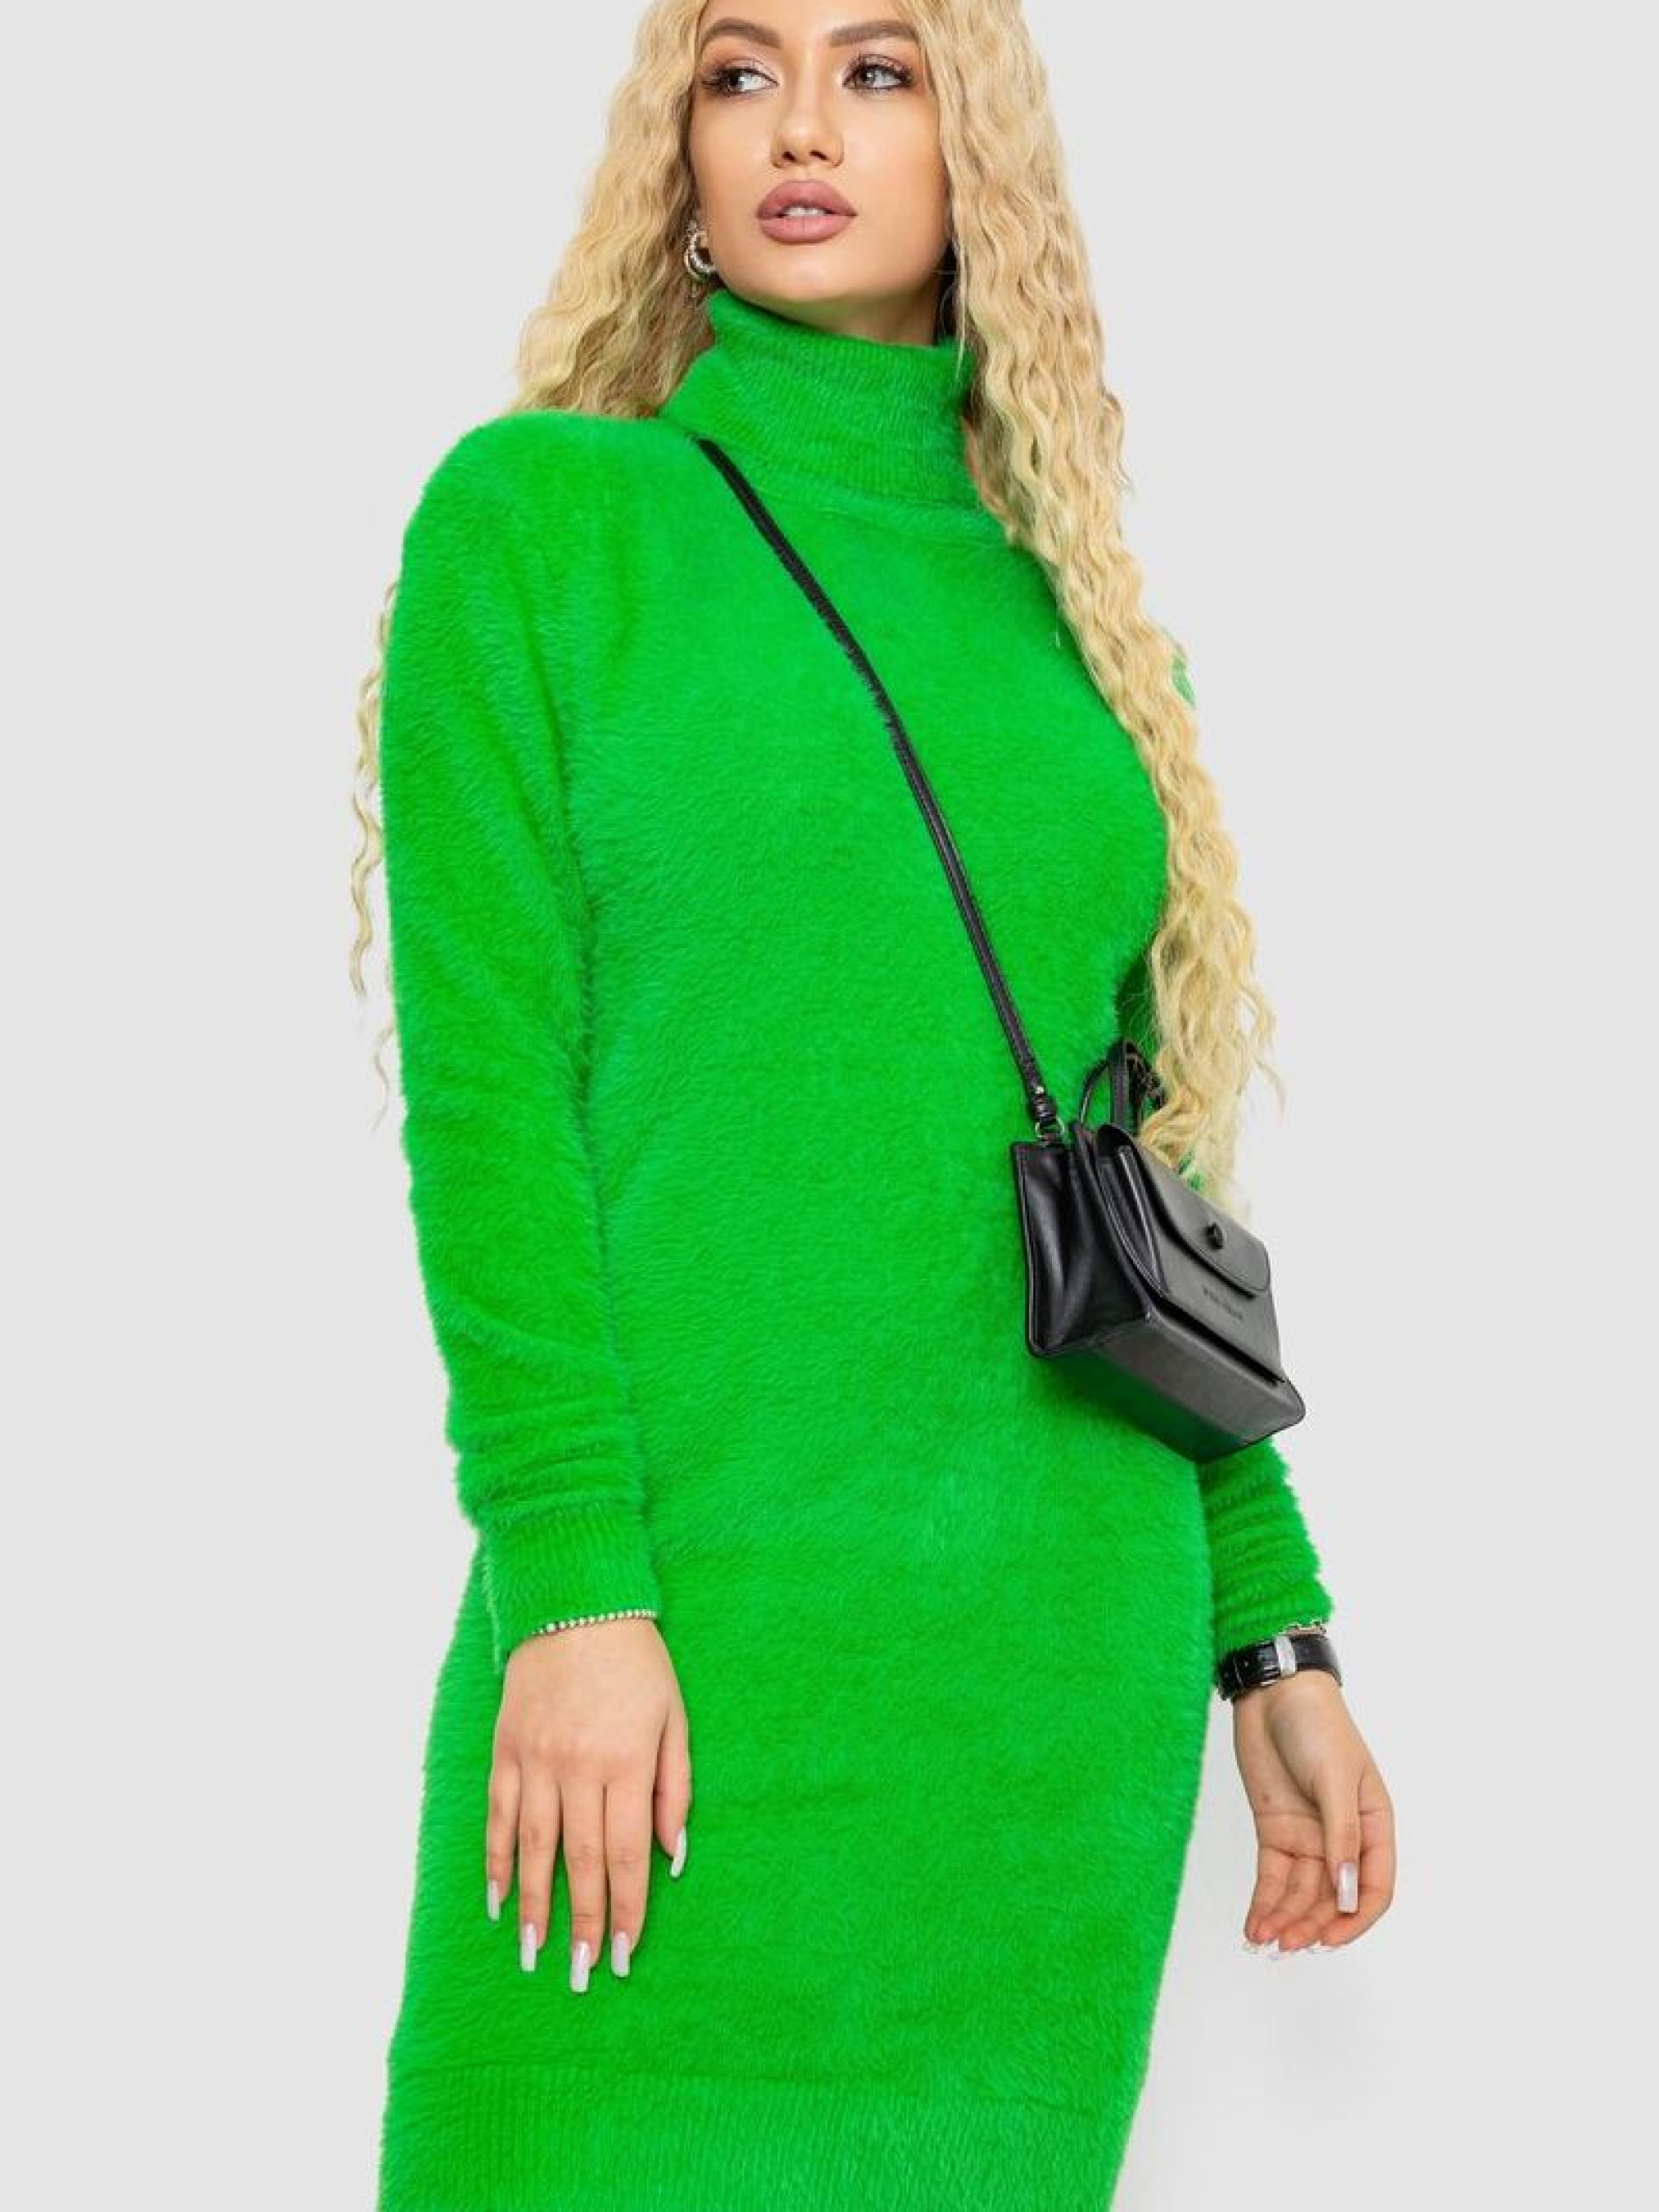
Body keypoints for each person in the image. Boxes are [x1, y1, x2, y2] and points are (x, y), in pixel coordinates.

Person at [350, 2, 1398, 2204]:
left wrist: (1271, 1631)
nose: (799, 127)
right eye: (739, 73)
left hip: (1037, 1688)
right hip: (671, 1628)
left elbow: (1151, 1177)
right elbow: (490, 1109)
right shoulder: (542, 527)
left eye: (878, 69)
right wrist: (571, 1584)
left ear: (975, 148)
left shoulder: (1088, 642)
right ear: (677, 148)